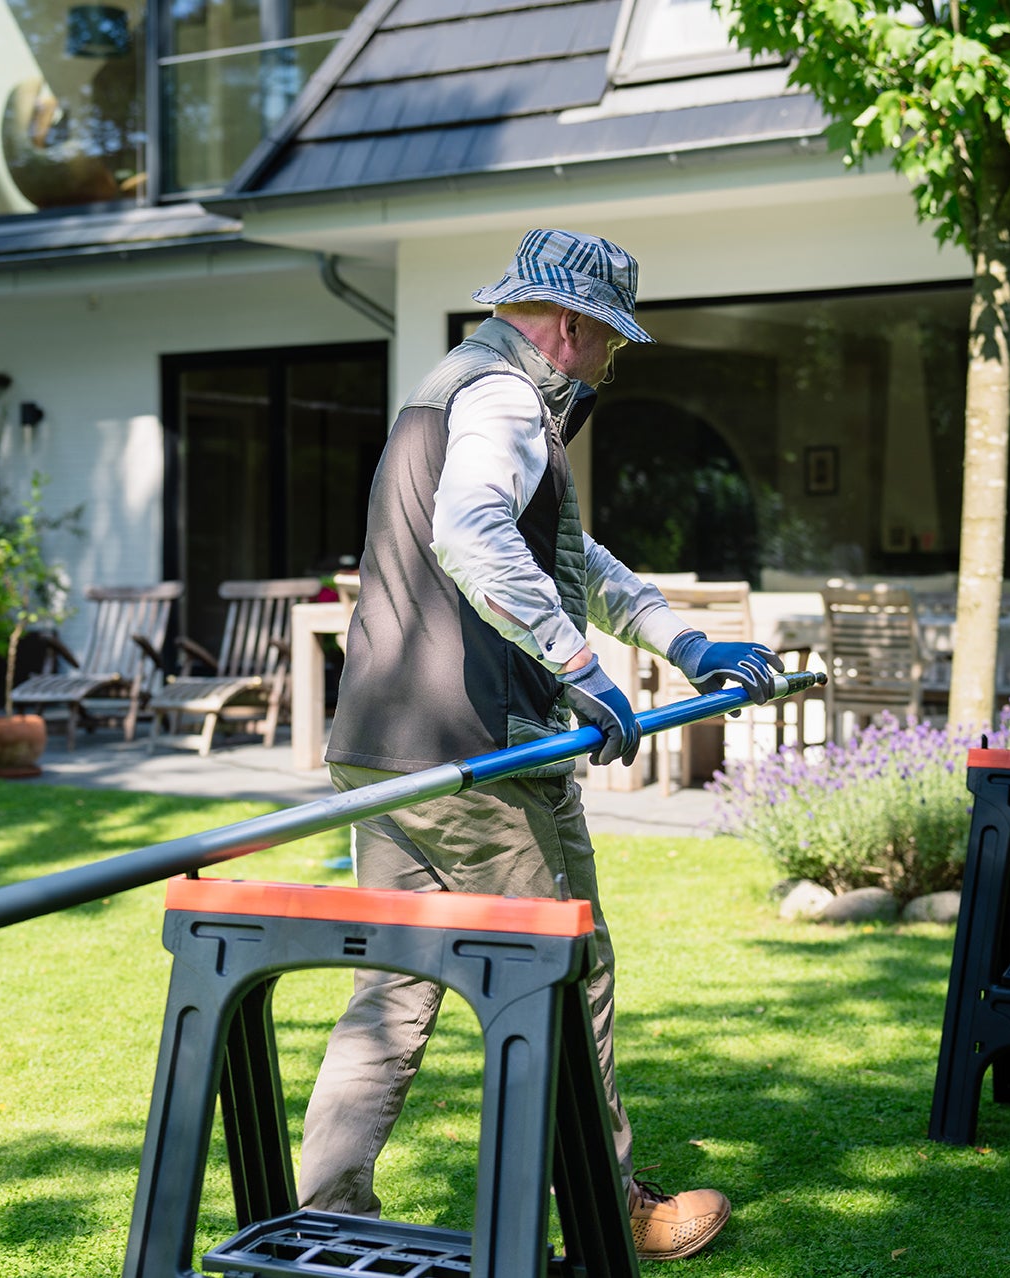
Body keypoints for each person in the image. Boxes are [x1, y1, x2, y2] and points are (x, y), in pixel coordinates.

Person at [299, 228, 785, 1262]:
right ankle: (606, 1210)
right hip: (482, 753)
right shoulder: (507, 399)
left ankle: (325, 1225)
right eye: (612, 341)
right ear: (570, 327)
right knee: (564, 971)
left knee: (390, 992)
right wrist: (576, 667)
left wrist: (680, 638)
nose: (612, 361)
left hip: (381, 743)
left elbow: (570, 554)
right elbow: (471, 533)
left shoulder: (451, 388)